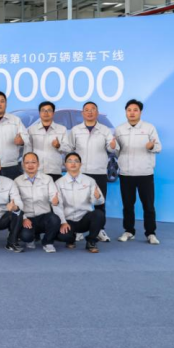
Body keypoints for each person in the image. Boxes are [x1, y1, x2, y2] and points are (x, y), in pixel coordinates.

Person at [114, 99, 162, 245]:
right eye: (129, 110)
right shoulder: (119, 129)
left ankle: (151, 233)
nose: (132, 113)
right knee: (128, 205)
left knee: (148, 206)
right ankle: (129, 231)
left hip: (145, 173)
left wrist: (151, 146)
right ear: (125, 112)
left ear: (140, 112)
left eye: (135, 110)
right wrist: (113, 148)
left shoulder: (149, 128)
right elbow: (116, 151)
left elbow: (158, 147)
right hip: (126, 174)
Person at [69, 102, 116, 242]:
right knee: (79, 202)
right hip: (81, 172)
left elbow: (111, 148)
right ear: (82, 113)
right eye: (87, 110)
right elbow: (69, 148)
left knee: (100, 203)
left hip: (99, 171)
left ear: (97, 112)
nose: (90, 112)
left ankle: (100, 230)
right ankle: (78, 229)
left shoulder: (105, 130)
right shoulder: (75, 130)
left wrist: (113, 146)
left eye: (93, 109)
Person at [56, 152, 106, 253]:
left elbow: (99, 202)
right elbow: (58, 205)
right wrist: (63, 222)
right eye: (70, 161)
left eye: (76, 161)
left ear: (80, 164)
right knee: (62, 236)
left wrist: (97, 197)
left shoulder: (90, 181)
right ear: (65, 165)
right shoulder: (59, 183)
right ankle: (71, 239)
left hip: (84, 219)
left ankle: (91, 241)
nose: (73, 163)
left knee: (99, 214)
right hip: (68, 221)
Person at [14, 152, 63, 253]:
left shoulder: (48, 179)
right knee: (26, 236)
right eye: (27, 162)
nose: (30, 165)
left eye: (33, 162)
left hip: (44, 215)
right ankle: (31, 238)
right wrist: (24, 218)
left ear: (38, 164)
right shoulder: (17, 181)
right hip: (28, 217)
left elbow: (53, 196)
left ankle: (48, 242)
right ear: (23, 165)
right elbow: (17, 203)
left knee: (55, 219)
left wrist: (55, 201)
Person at [26, 101, 70, 181]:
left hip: (54, 171)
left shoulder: (62, 129)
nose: (46, 113)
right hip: (37, 171)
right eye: (43, 110)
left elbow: (68, 149)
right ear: (39, 113)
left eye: (49, 110)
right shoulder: (32, 130)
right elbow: (27, 151)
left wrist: (59, 146)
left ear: (53, 113)